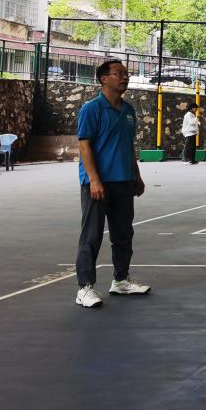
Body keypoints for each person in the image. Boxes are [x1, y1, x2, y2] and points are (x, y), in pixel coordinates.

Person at [74, 59, 148, 308]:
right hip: (98, 183)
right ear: (103, 79)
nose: (125, 77)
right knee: (91, 235)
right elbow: (84, 146)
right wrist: (94, 179)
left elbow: (128, 146)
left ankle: (121, 280)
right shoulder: (91, 109)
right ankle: (84, 288)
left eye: (126, 74)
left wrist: (136, 175)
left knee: (123, 234)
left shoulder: (128, 111)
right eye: (119, 73)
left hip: (123, 181)